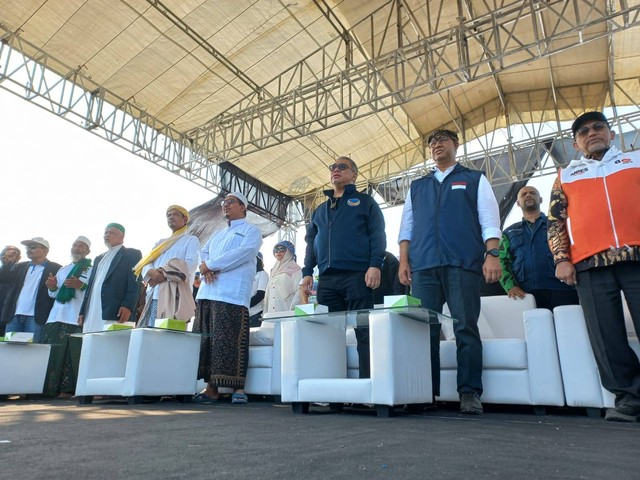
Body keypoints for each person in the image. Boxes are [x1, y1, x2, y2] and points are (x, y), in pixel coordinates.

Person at [398, 129, 502, 415]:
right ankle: (423, 391)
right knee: (423, 331)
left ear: (456, 145)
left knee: (465, 327)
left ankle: (469, 392)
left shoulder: (473, 178)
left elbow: (489, 220)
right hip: (424, 267)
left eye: (443, 140)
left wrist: (492, 255)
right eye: (432, 142)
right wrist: (404, 260)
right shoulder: (418, 186)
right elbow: (406, 226)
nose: (436, 145)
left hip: (462, 264)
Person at [547, 111, 640, 422]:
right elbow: (556, 222)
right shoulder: (565, 175)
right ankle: (629, 398)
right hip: (589, 261)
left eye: (598, 127)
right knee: (605, 335)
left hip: (637, 255)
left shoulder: (635, 161)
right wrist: (562, 259)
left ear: (612, 134)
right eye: (583, 131)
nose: (592, 133)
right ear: (576, 144)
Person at [302, 156, 386, 379]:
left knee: (363, 331)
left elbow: (378, 235)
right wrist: (307, 271)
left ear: (354, 175)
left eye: (342, 167)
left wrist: (375, 265)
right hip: (327, 280)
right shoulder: (320, 209)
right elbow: (311, 242)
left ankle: (368, 385)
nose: (335, 170)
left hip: (358, 275)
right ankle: (332, 389)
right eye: (332, 167)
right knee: (329, 334)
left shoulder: (365, 202)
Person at [193, 192, 262, 404]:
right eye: (224, 202)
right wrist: (206, 268)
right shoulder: (217, 234)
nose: (226, 205)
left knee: (232, 340)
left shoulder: (251, 231)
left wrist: (211, 266)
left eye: (231, 202)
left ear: (243, 207)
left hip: (232, 294)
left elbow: (245, 253)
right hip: (208, 292)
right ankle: (211, 389)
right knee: (208, 341)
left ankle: (238, 389)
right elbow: (203, 254)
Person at [499, 186, 579, 310]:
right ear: (518, 203)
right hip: (525, 294)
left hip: (563, 289)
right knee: (535, 329)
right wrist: (511, 286)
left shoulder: (557, 224)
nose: (528, 195)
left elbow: (575, 249)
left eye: (532, 193)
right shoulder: (509, 232)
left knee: (569, 327)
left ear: (541, 199)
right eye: (523, 194)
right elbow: (501, 262)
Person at [42, 236, 92, 397]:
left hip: (74, 317)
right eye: (75, 245)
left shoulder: (89, 269)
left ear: (87, 251)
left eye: (81, 246)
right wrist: (52, 287)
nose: (77, 248)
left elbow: (93, 292)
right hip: (55, 316)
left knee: (71, 356)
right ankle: (48, 390)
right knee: (52, 354)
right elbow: (54, 294)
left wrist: (81, 285)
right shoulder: (63, 269)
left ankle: (67, 389)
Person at [134, 205, 199, 327]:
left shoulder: (191, 240)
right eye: (168, 215)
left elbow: (190, 266)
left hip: (175, 296)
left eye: (175, 214)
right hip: (154, 294)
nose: (171, 217)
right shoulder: (160, 243)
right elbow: (146, 263)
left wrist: (163, 274)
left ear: (185, 219)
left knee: (168, 336)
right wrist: (151, 272)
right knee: (149, 334)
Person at [79, 224, 142, 332]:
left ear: (122, 237)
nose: (107, 235)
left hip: (115, 310)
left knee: (112, 344)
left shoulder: (131, 254)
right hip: (92, 309)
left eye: (111, 232)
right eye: (106, 233)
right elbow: (90, 286)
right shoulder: (98, 258)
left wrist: (128, 306)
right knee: (90, 342)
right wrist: (83, 311)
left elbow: (135, 282)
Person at [0, 237, 61, 343]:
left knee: (33, 351)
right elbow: (3, 279)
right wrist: (7, 263)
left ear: (45, 250)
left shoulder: (56, 268)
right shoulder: (19, 266)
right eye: (27, 247)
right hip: (14, 316)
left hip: (36, 318)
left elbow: (57, 292)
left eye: (33, 247)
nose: (29, 249)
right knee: (10, 349)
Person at [264, 241, 302, 313]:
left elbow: (299, 291)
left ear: (289, 251)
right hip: (271, 312)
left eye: (282, 249)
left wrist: (293, 310)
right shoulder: (273, 271)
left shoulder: (295, 269)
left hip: (286, 310)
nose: (278, 252)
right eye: (276, 250)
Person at [0, 246, 21, 337]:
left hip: (8, 318)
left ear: (18, 257)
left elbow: (6, 277)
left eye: (11, 254)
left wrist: (10, 263)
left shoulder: (21, 272)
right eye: (3, 253)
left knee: (8, 346)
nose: (6, 256)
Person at [248, 252, 269, 327]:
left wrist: (245, 305)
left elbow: (261, 294)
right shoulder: (246, 276)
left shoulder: (262, 274)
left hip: (255, 314)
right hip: (244, 314)